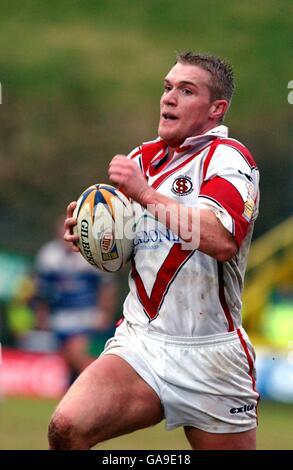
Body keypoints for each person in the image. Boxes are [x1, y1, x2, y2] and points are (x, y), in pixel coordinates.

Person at [48, 52, 260, 450]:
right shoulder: (140, 159)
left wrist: (143, 193)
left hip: (210, 356)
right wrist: (92, 236)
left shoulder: (229, 160)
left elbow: (220, 239)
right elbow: (128, 248)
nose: (168, 98)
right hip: (141, 343)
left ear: (217, 109)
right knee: (66, 428)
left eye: (186, 90)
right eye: (167, 88)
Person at [33, 217, 117, 385]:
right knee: (68, 360)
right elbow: (41, 288)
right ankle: (74, 391)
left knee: (77, 353)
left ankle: (102, 386)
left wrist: (105, 312)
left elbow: (106, 287)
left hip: (85, 315)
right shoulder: (49, 255)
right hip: (60, 317)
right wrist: (42, 314)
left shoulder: (91, 254)